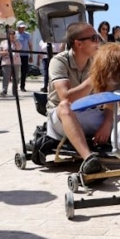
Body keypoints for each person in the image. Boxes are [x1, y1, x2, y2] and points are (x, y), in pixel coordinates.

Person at [46, 22, 111, 175]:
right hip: (62, 118)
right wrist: (94, 78)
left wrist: (107, 122)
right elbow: (66, 97)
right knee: (65, 106)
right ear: (78, 43)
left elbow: (108, 97)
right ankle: (88, 159)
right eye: (94, 38)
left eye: (99, 38)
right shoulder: (59, 61)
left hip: (88, 113)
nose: (99, 42)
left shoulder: (96, 62)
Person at [0, 30, 21, 96]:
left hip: (16, 62)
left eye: (13, 35)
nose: (12, 36)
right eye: (10, 35)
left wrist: (14, 41)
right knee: (6, 77)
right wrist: (5, 52)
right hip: (6, 62)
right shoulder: (3, 42)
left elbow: (19, 48)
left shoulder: (17, 42)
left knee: (16, 78)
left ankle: (15, 91)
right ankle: (4, 90)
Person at [15, 21, 33, 92]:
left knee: (24, 71)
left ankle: (22, 86)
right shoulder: (15, 34)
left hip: (25, 55)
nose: (22, 29)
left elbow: (30, 45)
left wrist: (31, 55)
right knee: (16, 71)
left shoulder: (27, 35)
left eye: (23, 27)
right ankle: (15, 86)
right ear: (18, 27)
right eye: (21, 27)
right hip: (16, 55)